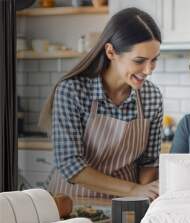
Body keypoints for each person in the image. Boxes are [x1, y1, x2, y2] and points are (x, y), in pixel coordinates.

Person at [38, 8, 163, 200]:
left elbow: (149, 163)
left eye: (154, 60)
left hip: (124, 204)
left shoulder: (152, 97)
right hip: (72, 202)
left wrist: (142, 199)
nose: (148, 70)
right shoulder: (72, 90)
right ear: (111, 52)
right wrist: (133, 190)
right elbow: (70, 164)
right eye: (139, 60)